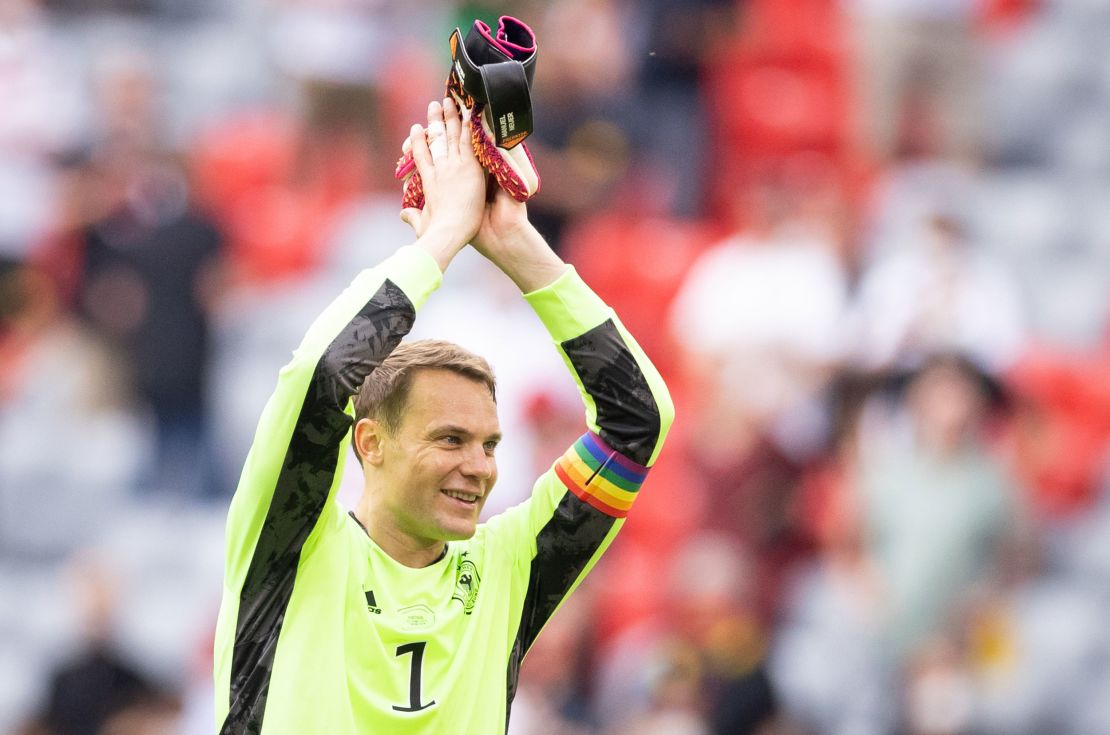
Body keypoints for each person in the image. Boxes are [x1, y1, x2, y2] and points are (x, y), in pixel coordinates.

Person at [212, 97, 673, 734]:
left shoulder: (510, 570)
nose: (477, 467)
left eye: (489, 444)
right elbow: (323, 378)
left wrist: (515, 244)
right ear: (369, 442)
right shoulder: (290, 546)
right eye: (450, 438)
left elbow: (639, 422)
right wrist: (442, 239)